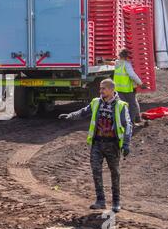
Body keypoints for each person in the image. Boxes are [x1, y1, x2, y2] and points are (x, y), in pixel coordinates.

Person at [58, 79, 132, 213]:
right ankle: (100, 201)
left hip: (113, 145)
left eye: (103, 88)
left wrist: (126, 144)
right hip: (97, 144)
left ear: (111, 90)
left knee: (115, 173)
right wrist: (69, 116)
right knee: (96, 172)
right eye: (100, 88)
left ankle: (116, 202)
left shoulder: (121, 106)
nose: (101, 91)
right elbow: (83, 112)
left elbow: (127, 125)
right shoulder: (96, 102)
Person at [114, 49, 147, 125]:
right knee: (132, 105)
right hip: (127, 89)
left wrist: (104, 61)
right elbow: (132, 75)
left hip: (118, 89)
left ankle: (124, 121)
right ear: (126, 56)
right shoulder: (126, 64)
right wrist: (140, 84)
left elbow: (112, 62)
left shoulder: (117, 63)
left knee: (122, 105)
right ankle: (132, 121)